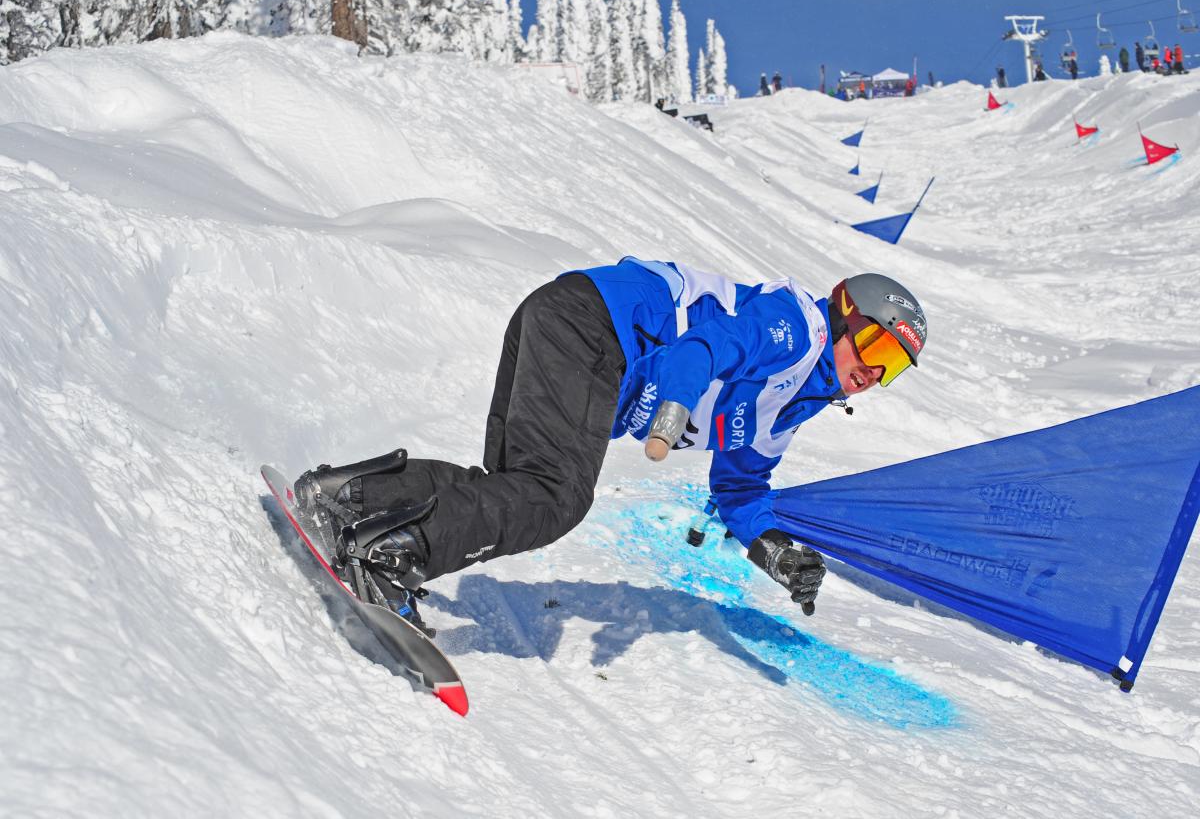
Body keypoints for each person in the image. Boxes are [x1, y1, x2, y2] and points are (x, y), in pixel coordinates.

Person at [294, 260, 929, 630]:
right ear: (846, 314)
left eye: (893, 368)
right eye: (876, 348)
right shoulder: (796, 326)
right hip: (597, 325)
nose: (874, 373)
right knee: (556, 498)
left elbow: (739, 488)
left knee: (518, 489)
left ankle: (350, 497)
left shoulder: (787, 410)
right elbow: (704, 348)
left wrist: (774, 551)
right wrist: (678, 396)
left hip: (568, 314)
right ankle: (388, 554)